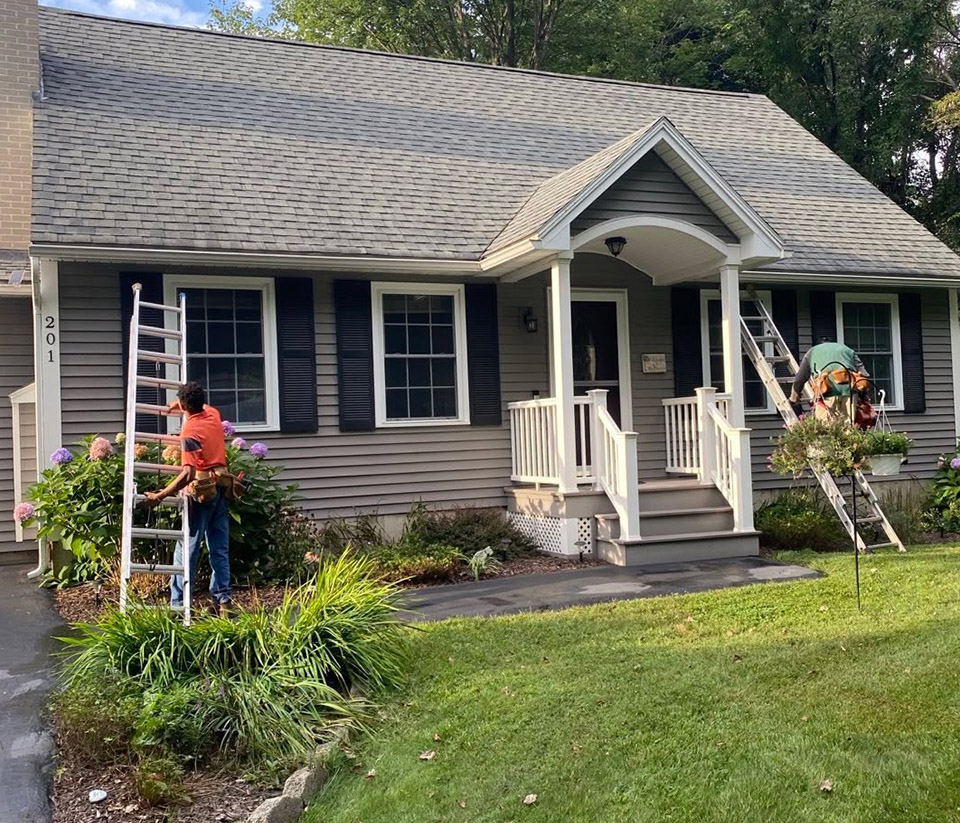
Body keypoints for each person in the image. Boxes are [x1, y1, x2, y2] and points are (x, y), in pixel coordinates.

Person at [143, 381, 232, 615]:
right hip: (222, 486)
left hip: (202, 492)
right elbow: (198, 406)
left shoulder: (190, 432)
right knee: (219, 548)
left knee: (187, 548)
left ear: (184, 405)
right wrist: (180, 404)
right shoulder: (213, 413)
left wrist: (161, 495)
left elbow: (188, 473)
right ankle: (223, 602)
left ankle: (179, 605)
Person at [789, 337, 869, 423]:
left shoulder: (812, 352)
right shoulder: (848, 350)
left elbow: (800, 379)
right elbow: (864, 374)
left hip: (826, 391)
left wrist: (793, 398)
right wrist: (864, 396)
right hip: (850, 391)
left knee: (825, 428)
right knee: (848, 427)